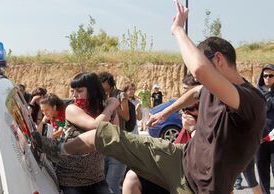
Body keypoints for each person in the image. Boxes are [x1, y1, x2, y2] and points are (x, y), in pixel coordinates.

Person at [32, 1, 266, 193]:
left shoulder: (250, 101)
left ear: (218, 60)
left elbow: (199, 71)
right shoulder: (213, 88)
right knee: (120, 162)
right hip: (180, 158)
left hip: (201, 187)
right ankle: (55, 149)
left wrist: (177, 31)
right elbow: (195, 92)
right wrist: (164, 112)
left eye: (206, 66)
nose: (201, 81)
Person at [34, 72, 119, 194]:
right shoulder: (72, 109)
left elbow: (114, 136)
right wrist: (111, 106)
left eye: (79, 91)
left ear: (92, 91)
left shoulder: (105, 111)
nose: (74, 95)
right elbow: (94, 125)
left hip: (97, 178)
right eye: (73, 91)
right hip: (71, 181)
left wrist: (110, 109)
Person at [99, 72, 129, 194]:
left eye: (103, 82)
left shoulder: (121, 95)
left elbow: (126, 117)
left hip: (118, 140)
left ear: (109, 83)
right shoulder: (100, 96)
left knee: (112, 183)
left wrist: (113, 105)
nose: (101, 85)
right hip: (105, 142)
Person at [256, 64, 274, 194]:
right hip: (260, 139)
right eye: (265, 75)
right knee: (262, 172)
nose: (267, 78)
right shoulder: (256, 93)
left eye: (271, 75)